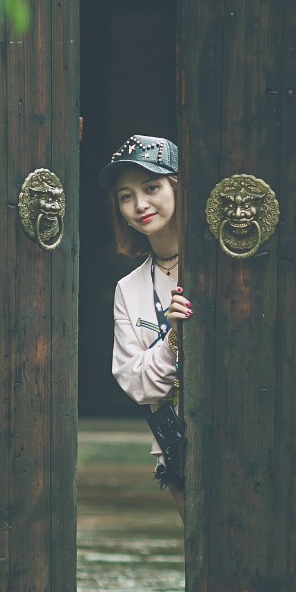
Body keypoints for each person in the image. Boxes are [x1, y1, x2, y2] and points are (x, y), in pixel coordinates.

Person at [103, 134, 192, 516]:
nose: (140, 204)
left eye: (151, 187)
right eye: (126, 196)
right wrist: (173, 341)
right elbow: (134, 381)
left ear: (177, 187)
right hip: (174, 442)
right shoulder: (129, 288)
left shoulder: (221, 268)